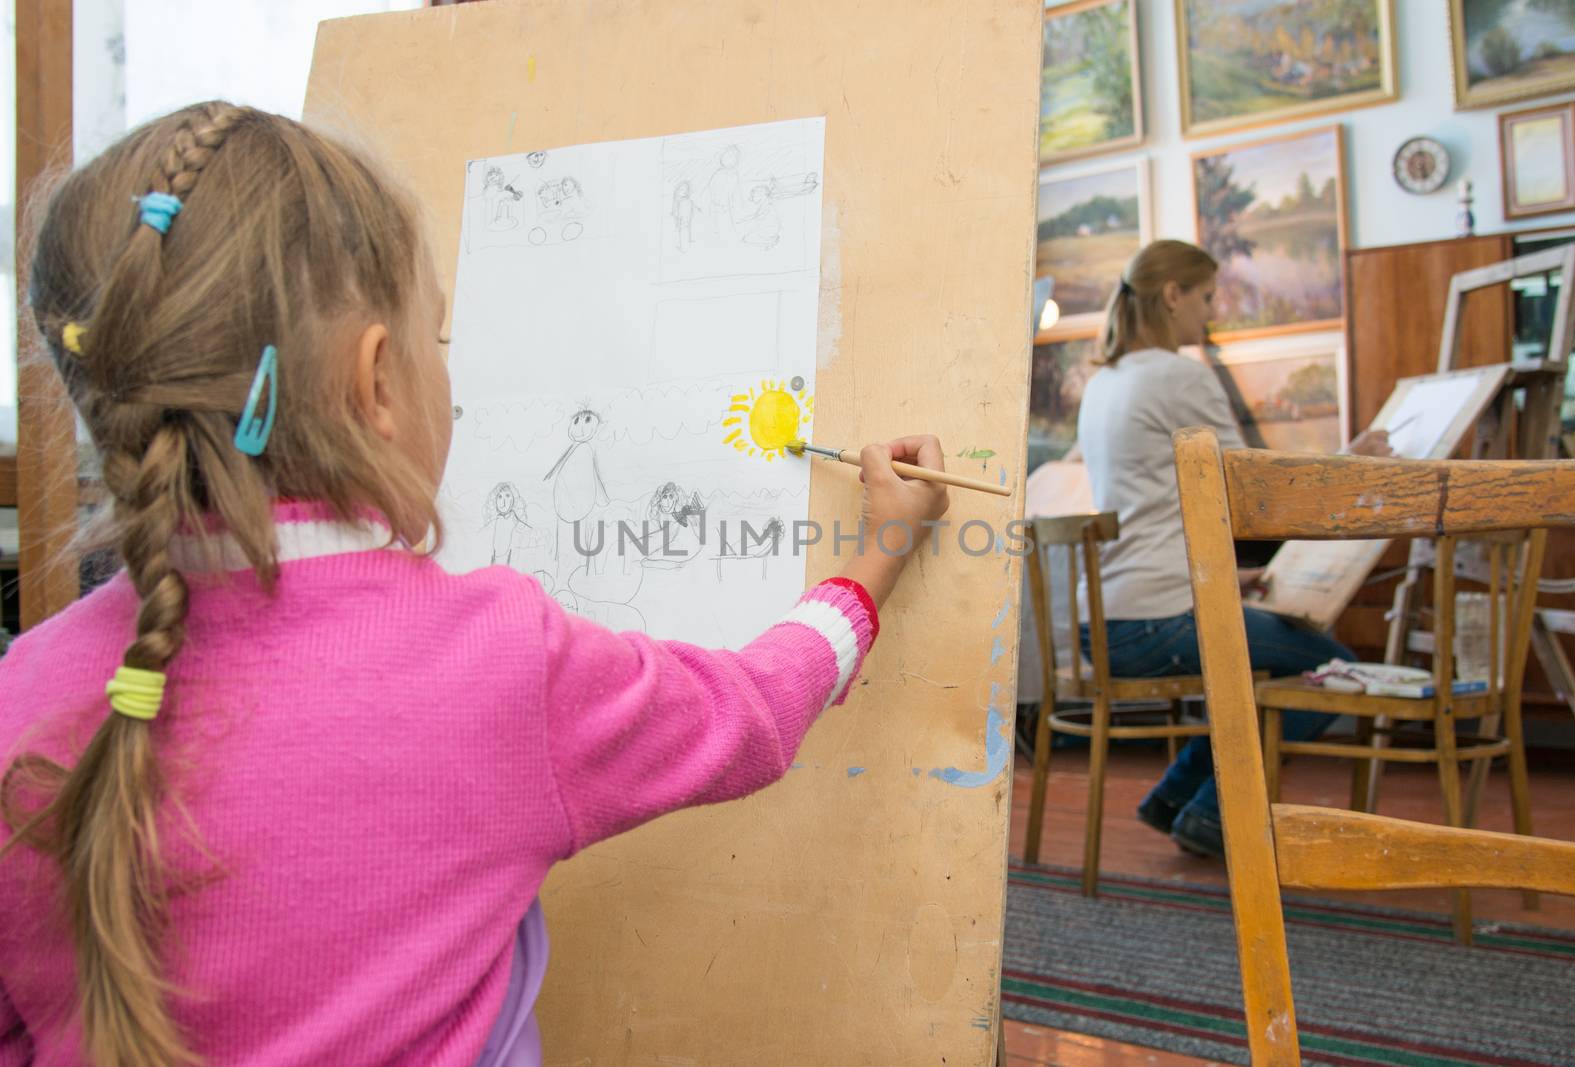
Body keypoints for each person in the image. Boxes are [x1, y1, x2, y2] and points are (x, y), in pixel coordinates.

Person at [0, 102, 949, 1066]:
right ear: (376, 383)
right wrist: (873, 558)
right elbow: (748, 713)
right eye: (438, 340)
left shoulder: (22, 689)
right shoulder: (492, 661)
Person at [1074, 239, 1386, 860]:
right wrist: (1352, 463)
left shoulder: (1104, 382)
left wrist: (1223, 581)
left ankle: (1176, 800)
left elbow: (1158, 505)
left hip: (1106, 618)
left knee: (1266, 670)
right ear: (1173, 295)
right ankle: (1210, 814)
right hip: (1153, 622)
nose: (1210, 313)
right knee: (1327, 665)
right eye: (1207, 297)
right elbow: (1255, 491)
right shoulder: (1179, 374)